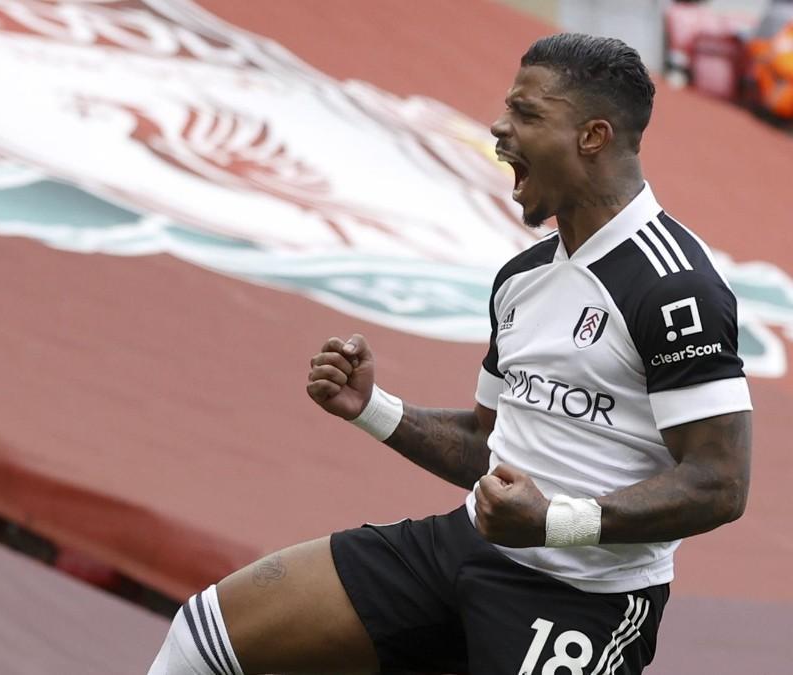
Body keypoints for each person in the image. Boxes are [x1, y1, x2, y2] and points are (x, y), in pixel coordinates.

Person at [148, 33, 752, 675]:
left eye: (527, 113)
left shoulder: (674, 287)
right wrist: (370, 408)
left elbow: (719, 484)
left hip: (582, 603)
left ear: (593, 137)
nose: (499, 127)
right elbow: (487, 447)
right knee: (207, 639)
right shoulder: (523, 277)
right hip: (464, 549)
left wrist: (557, 522)